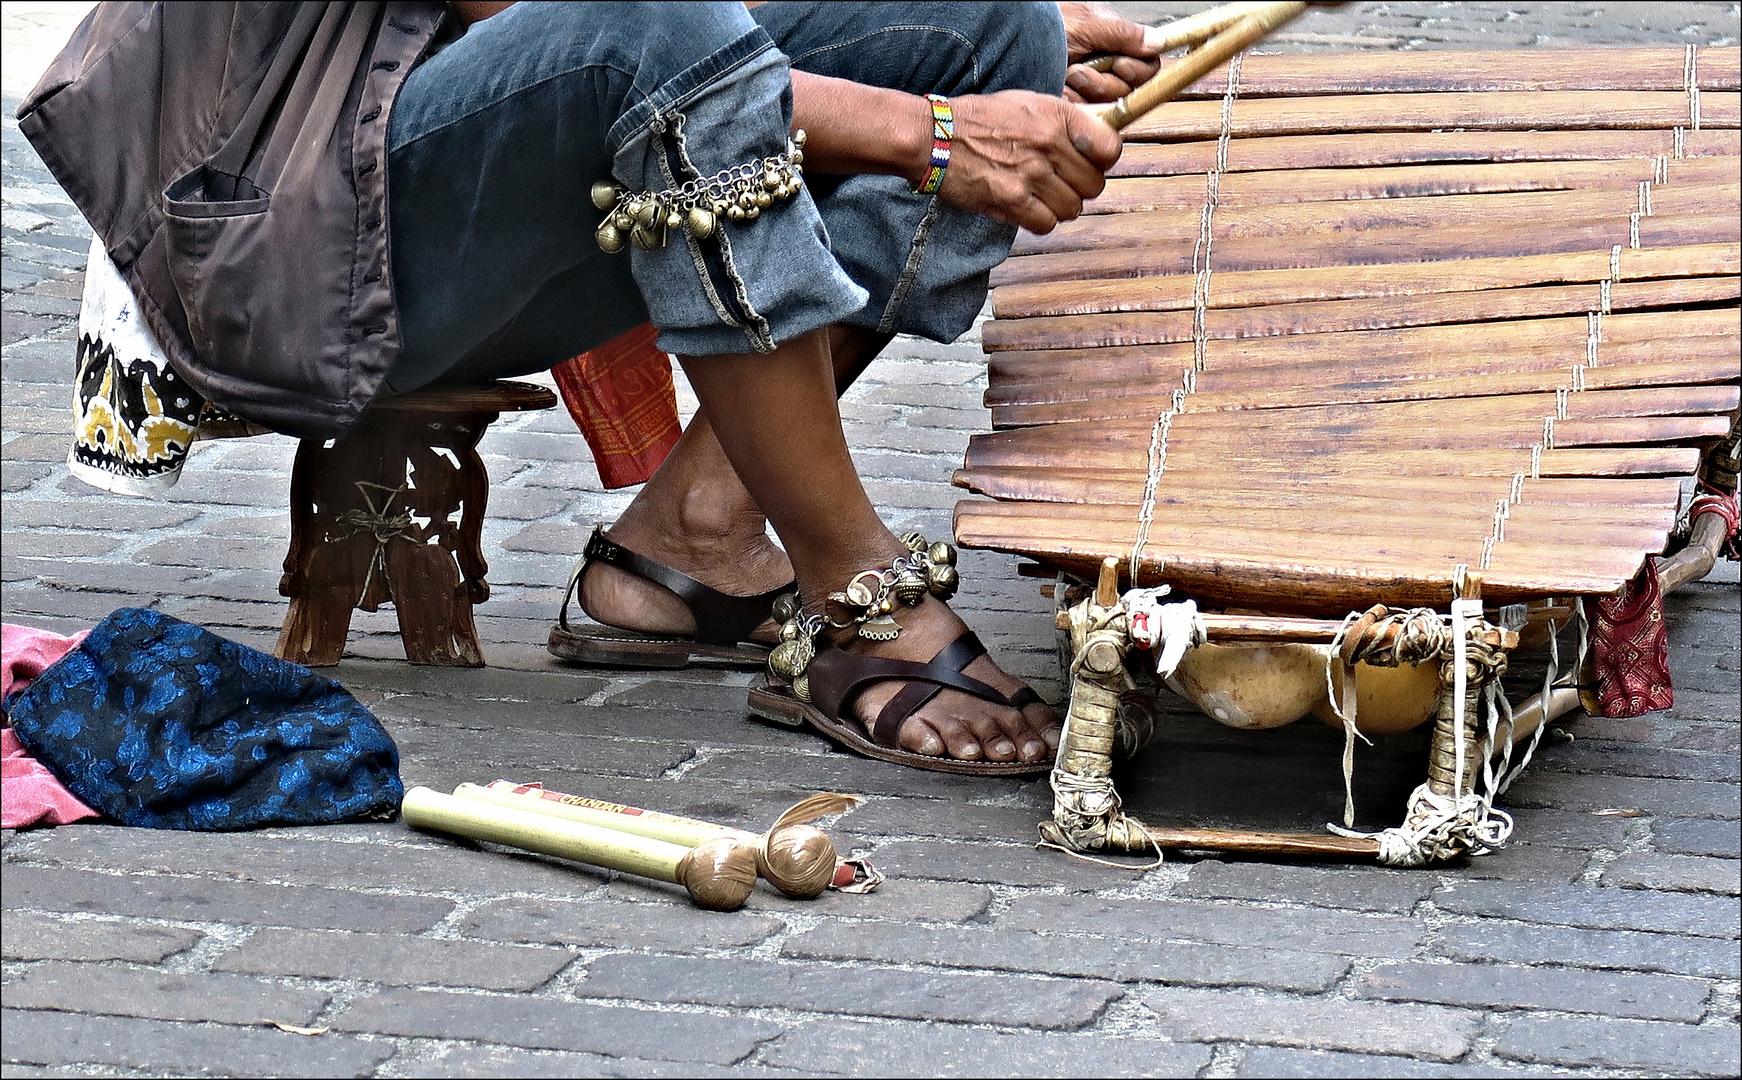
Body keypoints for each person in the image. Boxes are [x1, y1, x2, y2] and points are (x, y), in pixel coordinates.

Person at [19, 1, 1167, 774]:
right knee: (655, 37)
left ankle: (691, 541)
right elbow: (615, 32)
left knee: (980, 23)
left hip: (464, 166)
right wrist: (924, 131)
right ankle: (855, 601)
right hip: (280, 240)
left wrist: (934, 56)